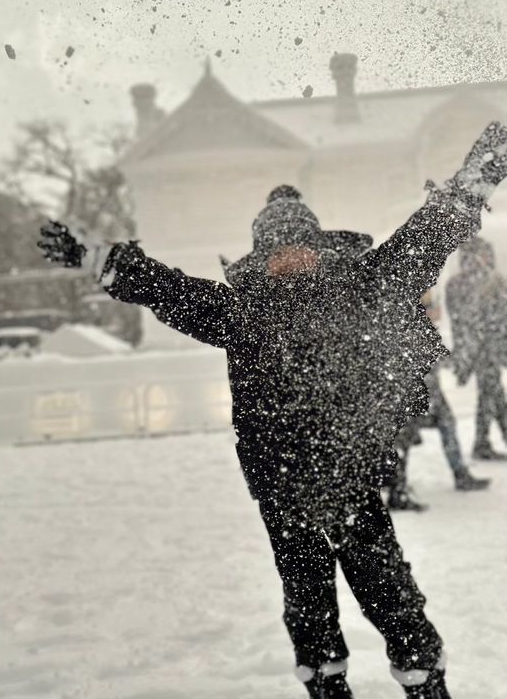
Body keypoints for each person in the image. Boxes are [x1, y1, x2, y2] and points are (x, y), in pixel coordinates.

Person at [38, 122, 507, 699]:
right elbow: (167, 289)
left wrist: (473, 184)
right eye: (276, 249)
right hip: (283, 490)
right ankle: (327, 686)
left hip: (350, 476)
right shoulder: (242, 312)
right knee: (308, 606)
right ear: (260, 257)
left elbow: (424, 238)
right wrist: (95, 258)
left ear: (318, 245)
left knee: (391, 595)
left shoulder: (361, 288)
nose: (289, 257)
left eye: (298, 244)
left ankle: (426, 685)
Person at [386, 293, 490, 512]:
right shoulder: (415, 328)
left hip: (420, 395)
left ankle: (397, 486)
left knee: (417, 435)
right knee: (404, 440)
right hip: (414, 396)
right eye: (435, 309)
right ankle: (397, 490)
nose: (439, 314)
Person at [446, 236, 507, 460]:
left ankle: (483, 443)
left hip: (484, 347)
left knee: (493, 394)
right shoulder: (477, 282)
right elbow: (468, 320)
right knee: (491, 394)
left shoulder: (486, 281)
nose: (487, 257)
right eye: (483, 253)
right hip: (483, 348)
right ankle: (482, 444)